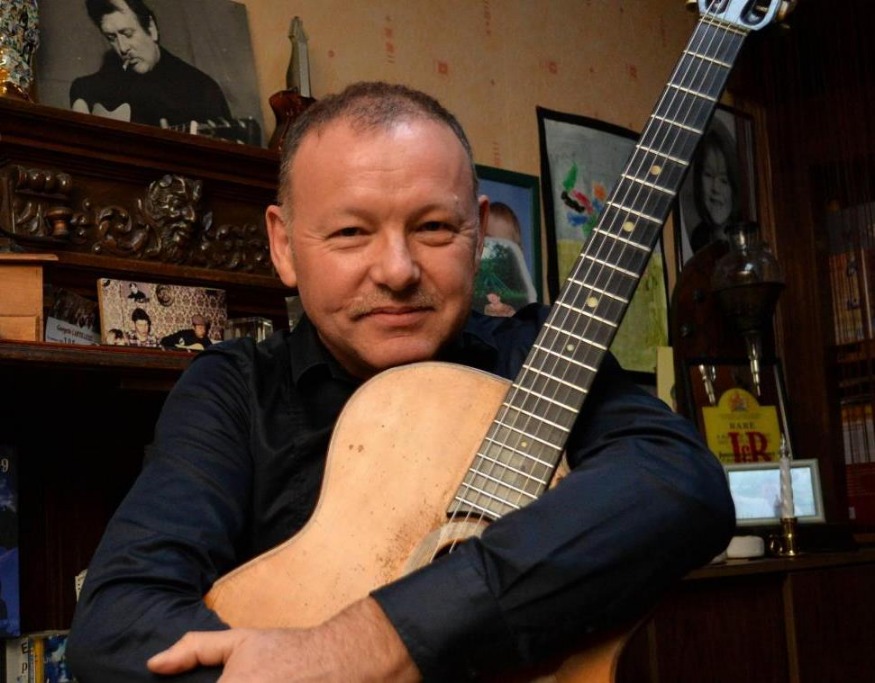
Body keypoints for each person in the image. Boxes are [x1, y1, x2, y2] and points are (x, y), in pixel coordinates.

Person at [67, 81, 734, 682]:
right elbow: (117, 624)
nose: (397, 270)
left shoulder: (540, 360)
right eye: (351, 232)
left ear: (479, 234)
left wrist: (377, 639)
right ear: (283, 246)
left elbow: (682, 486)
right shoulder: (234, 389)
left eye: (434, 227)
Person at [69, 0, 232, 129]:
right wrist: (80, 106)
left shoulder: (201, 89)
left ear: (151, 28)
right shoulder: (117, 74)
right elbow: (83, 86)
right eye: (112, 38)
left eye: (128, 34)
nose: (122, 48)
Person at [688, 118, 743, 253]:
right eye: (708, 175)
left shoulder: (745, 238)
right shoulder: (698, 238)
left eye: (724, 180)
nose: (715, 188)